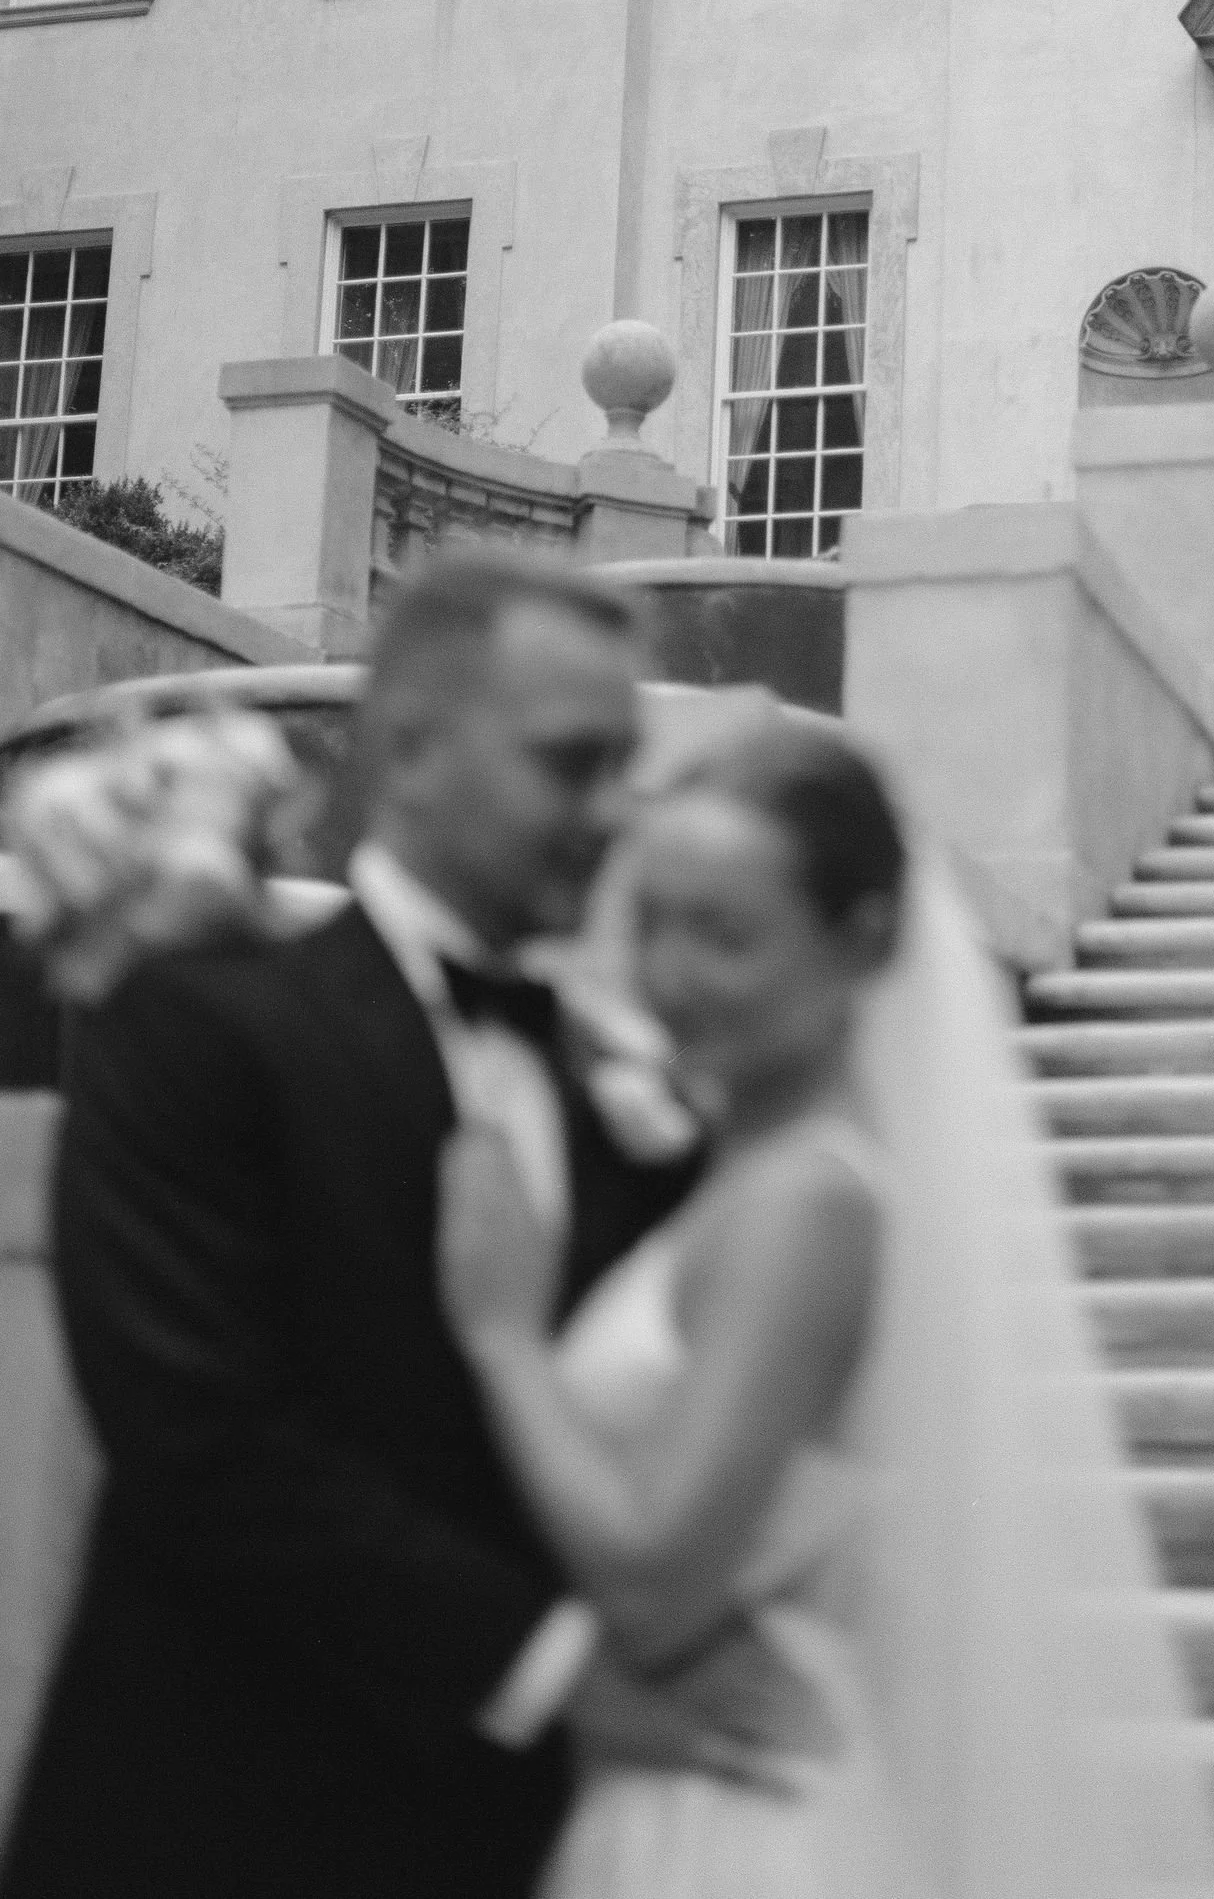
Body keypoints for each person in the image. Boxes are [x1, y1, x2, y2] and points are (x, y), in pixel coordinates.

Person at [0, 553, 809, 1899]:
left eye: (628, 764)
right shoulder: (198, 1022)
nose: (613, 810)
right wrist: (557, 1671)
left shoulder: (634, 1090)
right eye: (569, 760)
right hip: (210, 1828)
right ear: (412, 748)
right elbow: (203, 1436)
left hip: (528, 1841)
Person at [436, 719, 1214, 1899]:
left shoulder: (806, 1201)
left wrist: (502, 1341)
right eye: (651, 921)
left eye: (725, 936)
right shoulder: (753, 1170)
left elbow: (659, 1591)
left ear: (857, 942)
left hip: (731, 1819)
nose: (668, 975)